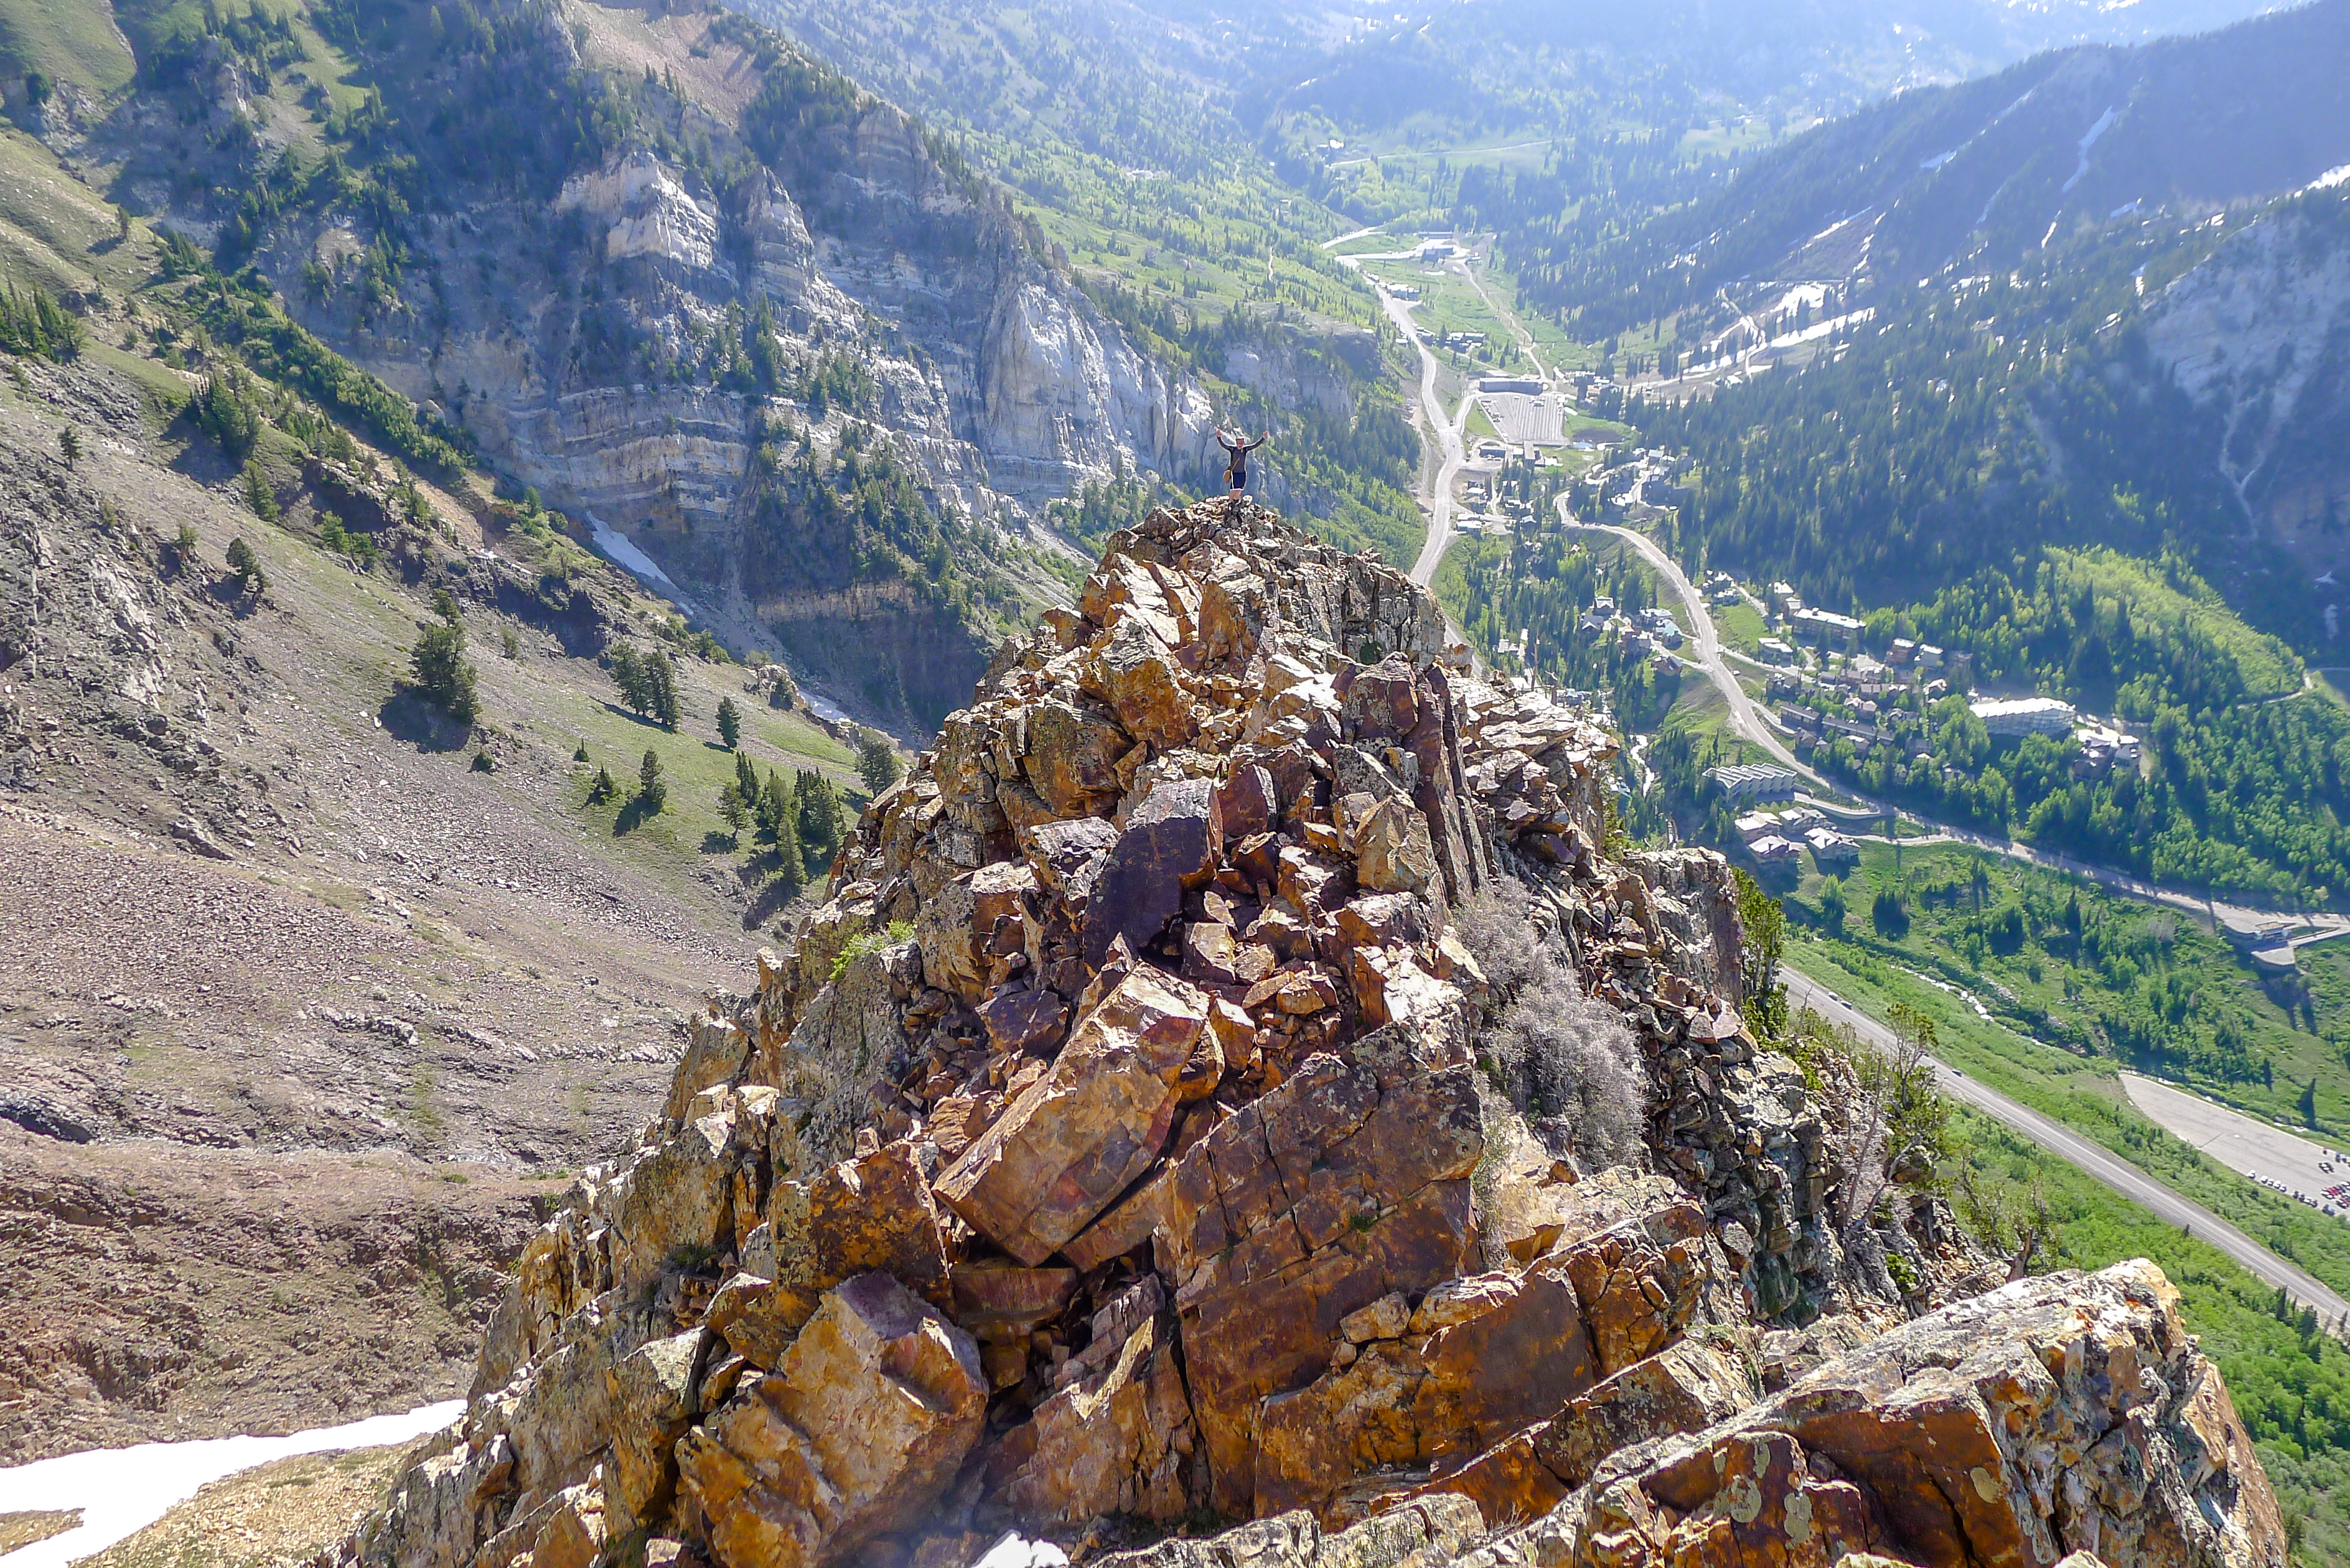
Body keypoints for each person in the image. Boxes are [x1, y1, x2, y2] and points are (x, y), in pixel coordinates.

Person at [1215, 427, 1270, 510]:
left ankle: (1235, 502)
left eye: (1241, 442)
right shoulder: (1233, 449)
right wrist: (1219, 437)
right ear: (1236, 443)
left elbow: (1255, 445)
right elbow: (1224, 445)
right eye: (1238, 442)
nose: (1240, 444)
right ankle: (1229, 504)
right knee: (1234, 489)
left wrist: (1263, 438)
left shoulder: (1245, 450)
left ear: (1243, 443)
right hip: (1234, 473)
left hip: (1242, 473)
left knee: (1240, 489)